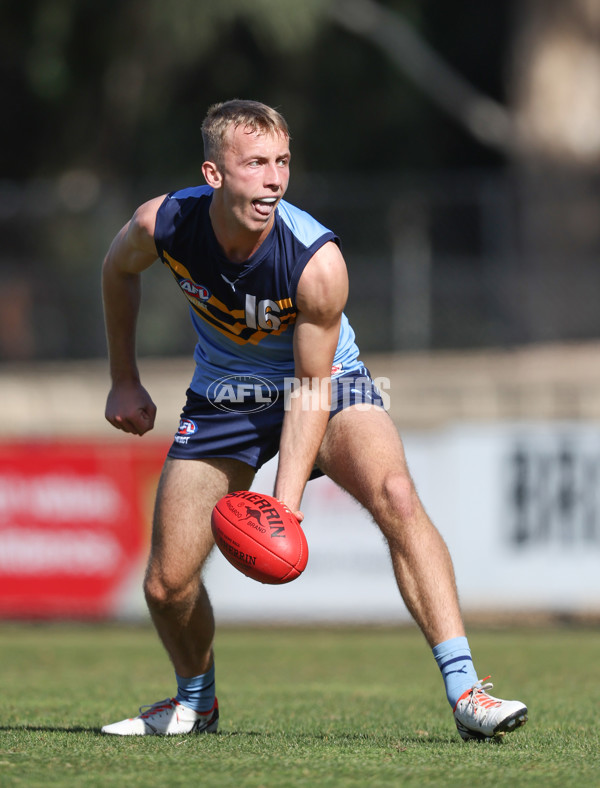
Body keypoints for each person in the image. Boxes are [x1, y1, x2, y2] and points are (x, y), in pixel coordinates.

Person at [100, 99, 528, 740]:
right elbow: (116, 270)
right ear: (213, 174)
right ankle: (196, 703)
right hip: (225, 394)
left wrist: (284, 506)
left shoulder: (314, 261)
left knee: (397, 495)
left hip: (329, 385)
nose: (274, 179)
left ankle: (468, 692)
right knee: (166, 584)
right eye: (255, 164)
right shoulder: (162, 224)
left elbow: (310, 388)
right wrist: (124, 379)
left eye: (282, 163)